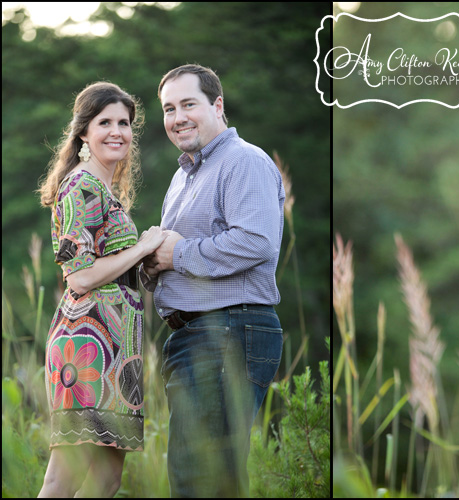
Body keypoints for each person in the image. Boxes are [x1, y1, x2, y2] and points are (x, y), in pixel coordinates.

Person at [140, 63, 286, 497]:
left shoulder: (243, 161)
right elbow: (182, 255)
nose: (178, 117)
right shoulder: (184, 176)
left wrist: (177, 253)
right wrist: (155, 264)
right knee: (200, 476)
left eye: (189, 104)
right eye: (169, 109)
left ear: (217, 105)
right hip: (198, 335)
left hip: (228, 331)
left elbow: (257, 242)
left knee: (204, 478)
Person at [36, 82, 168, 497]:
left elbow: (113, 271)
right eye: (104, 122)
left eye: (124, 123)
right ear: (83, 134)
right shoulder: (79, 187)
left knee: (107, 479)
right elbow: (79, 276)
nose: (117, 131)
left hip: (118, 350)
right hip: (86, 346)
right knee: (65, 477)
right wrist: (144, 245)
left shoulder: (106, 191)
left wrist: (145, 262)